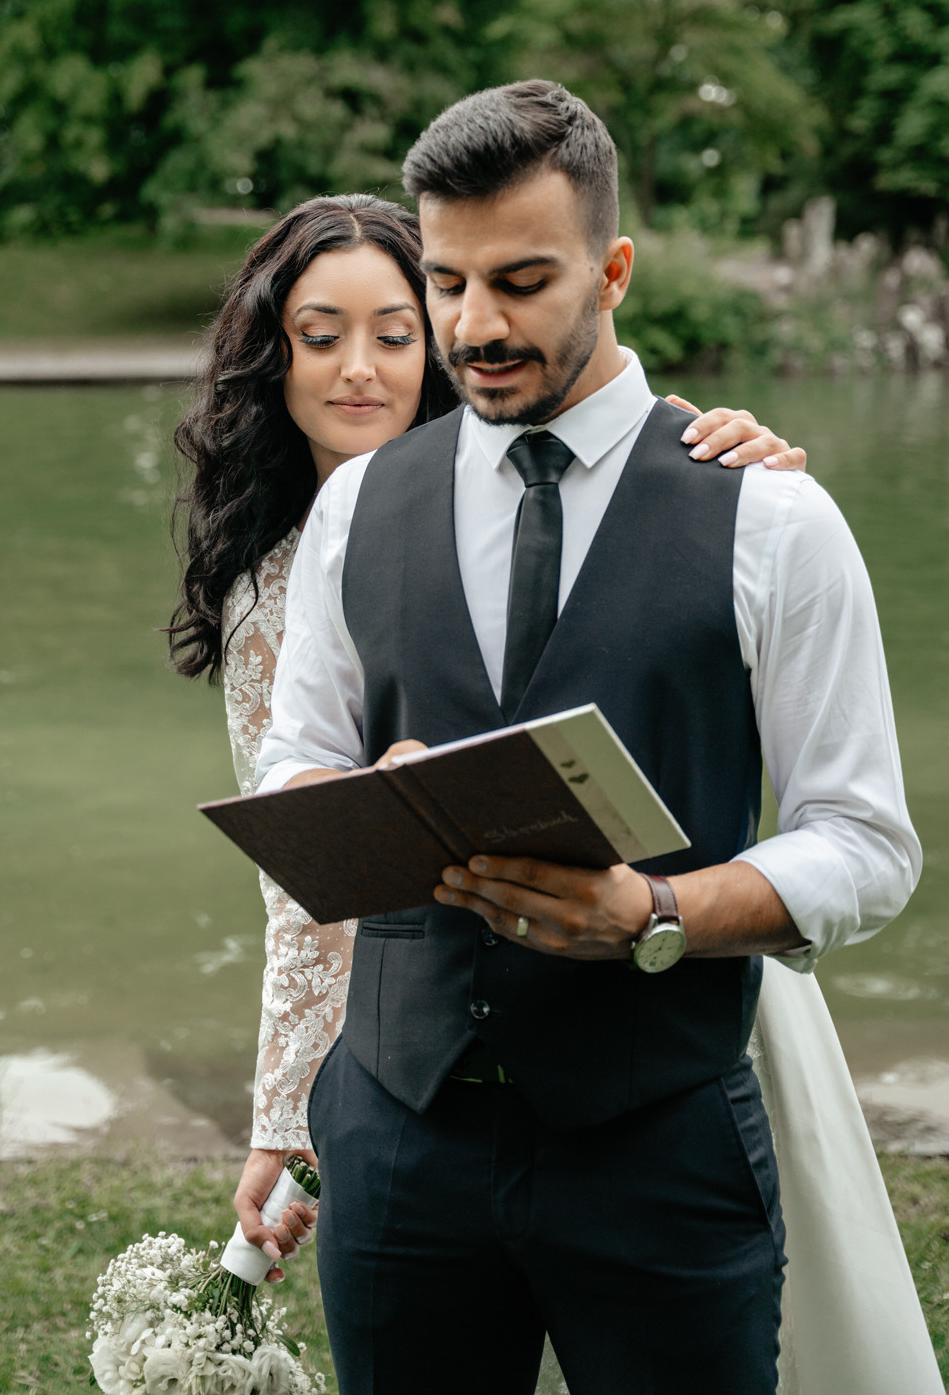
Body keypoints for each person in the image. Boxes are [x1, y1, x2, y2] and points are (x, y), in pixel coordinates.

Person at [248, 87, 928, 1395]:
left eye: (522, 282)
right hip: (397, 1142)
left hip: (659, 1149)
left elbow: (866, 841)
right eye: (447, 282)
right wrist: (360, 798)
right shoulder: (358, 507)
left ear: (613, 271)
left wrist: (657, 913)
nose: (473, 327)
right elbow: (291, 761)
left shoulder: (774, 519)